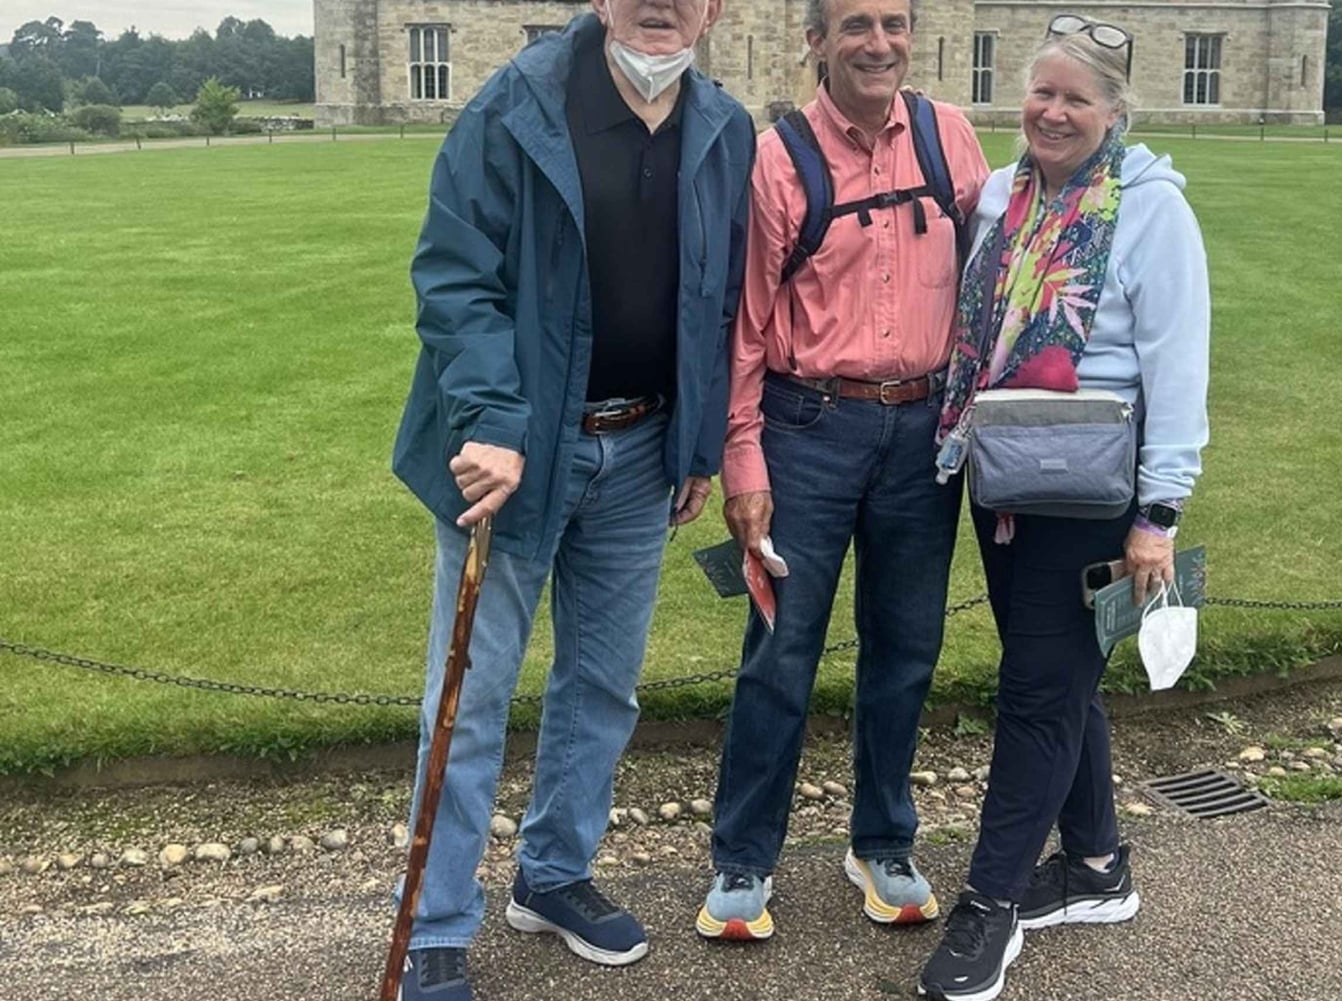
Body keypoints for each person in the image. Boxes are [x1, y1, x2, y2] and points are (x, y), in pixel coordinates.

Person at [388, 3, 753, 997]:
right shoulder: (514, 107)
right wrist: (491, 419)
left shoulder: (725, 126)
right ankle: (436, 919)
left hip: (640, 450)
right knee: (470, 699)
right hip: (515, 454)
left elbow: (715, 295)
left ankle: (551, 874)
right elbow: (455, 278)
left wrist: (695, 440)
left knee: (602, 686)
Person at [915, 15, 1210, 1001]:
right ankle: (1096, 865)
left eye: (1076, 98)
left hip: (1092, 493)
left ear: (1115, 111)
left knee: (1037, 695)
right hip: (1003, 480)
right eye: (1042, 92)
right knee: (1057, 679)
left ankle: (989, 905)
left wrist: (1157, 517)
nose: (1052, 111)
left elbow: (1179, 370)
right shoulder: (1001, 194)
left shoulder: (1152, 210)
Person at [696, 0, 991, 942]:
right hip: (807, 429)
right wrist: (743, 460)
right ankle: (745, 856)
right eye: (856, 24)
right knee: (781, 651)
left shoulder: (949, 138)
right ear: (816, 41)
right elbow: (745, 325)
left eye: (894, 23)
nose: (879, 43)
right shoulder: (778, 158)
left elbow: (997, 279)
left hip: (924, 433)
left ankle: (884, 841)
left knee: (906, 647)